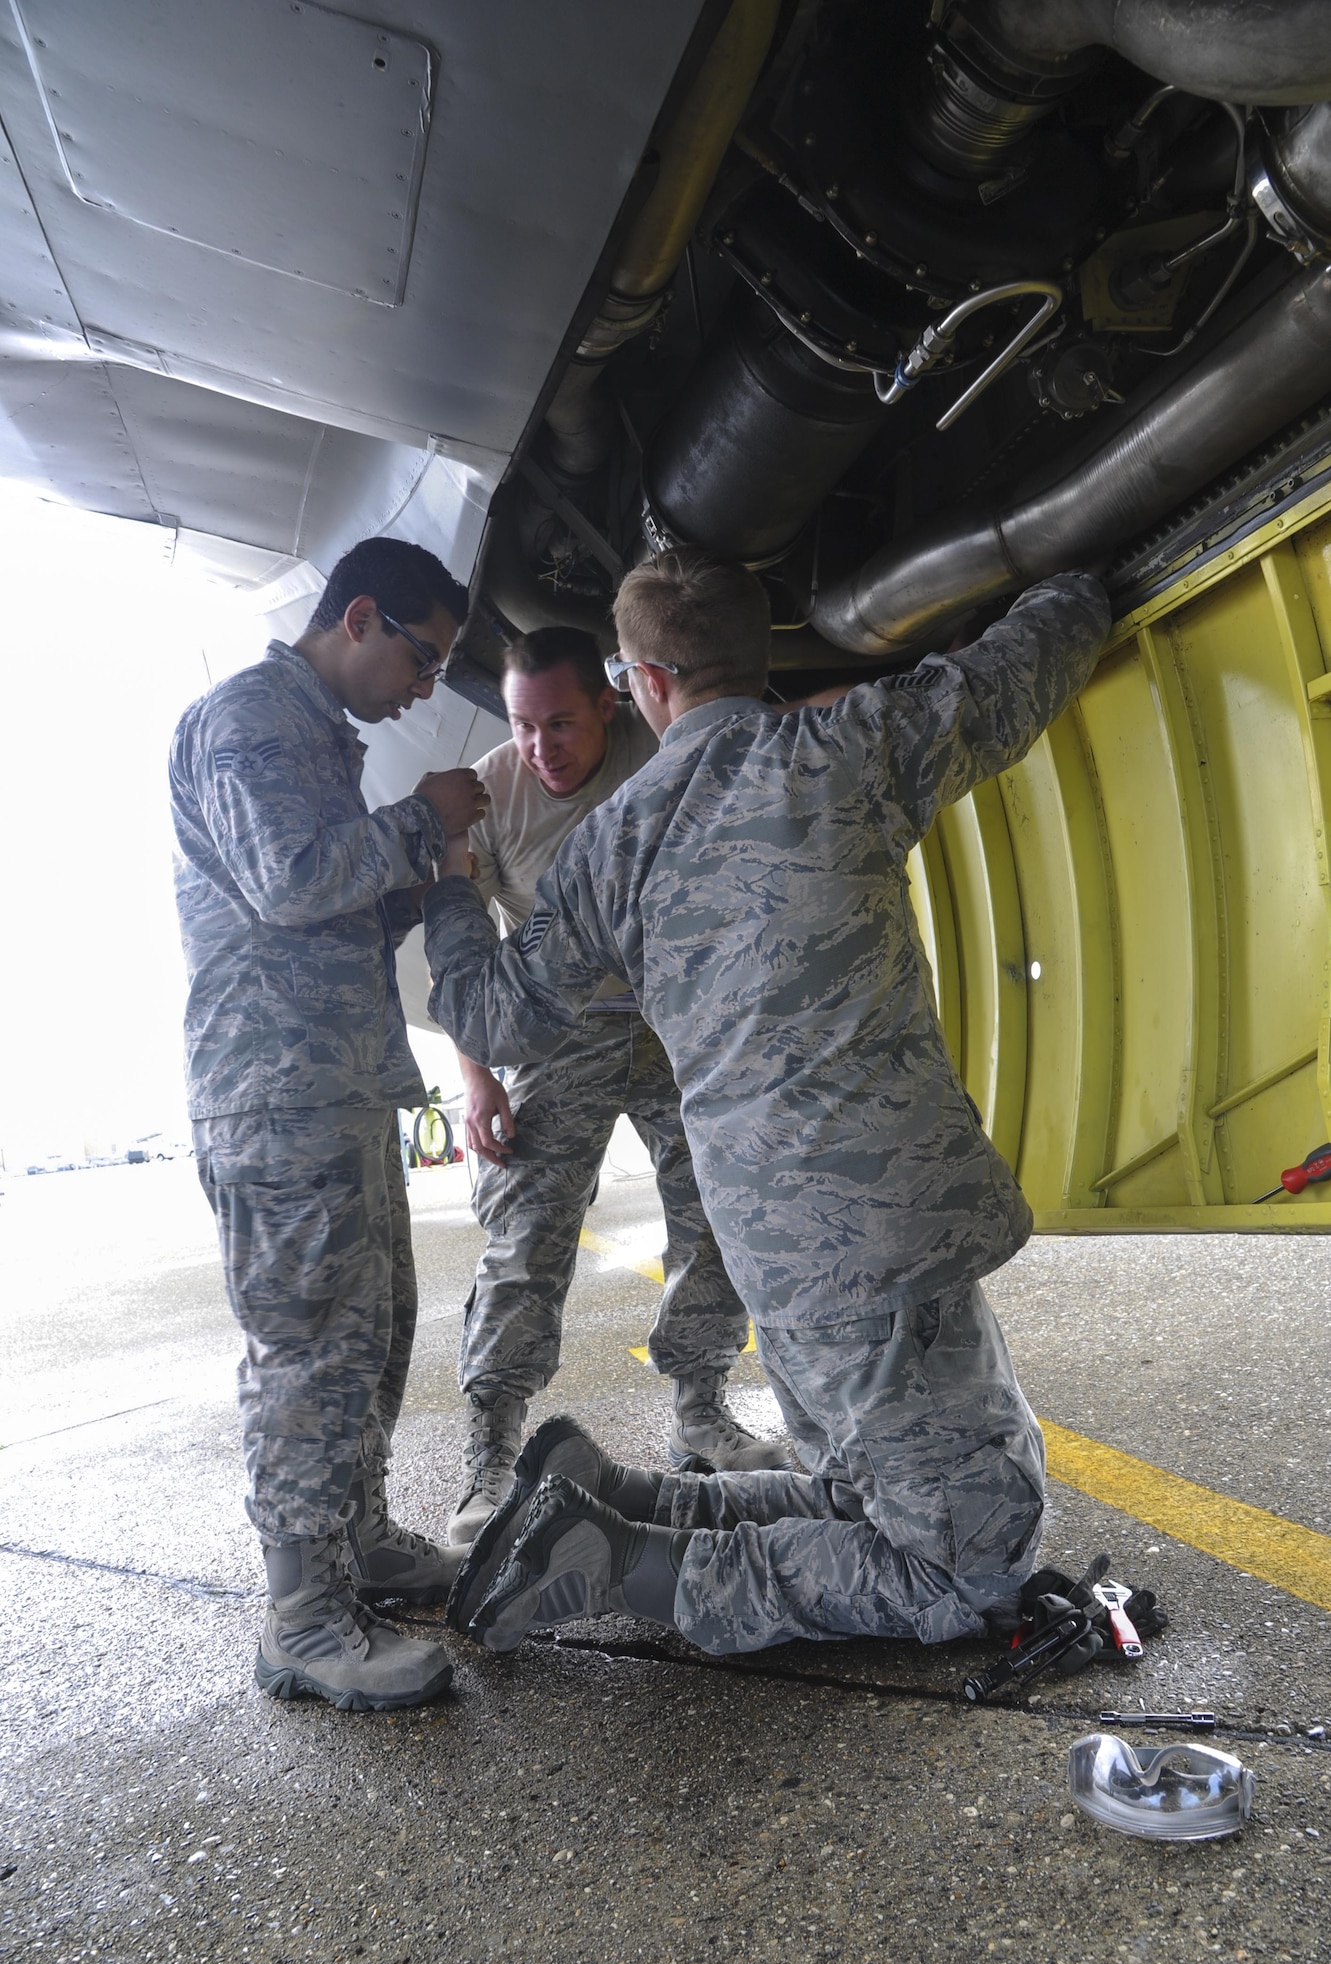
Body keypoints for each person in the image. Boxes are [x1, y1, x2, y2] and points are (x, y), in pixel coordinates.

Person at [422, 547, 1111, 1657]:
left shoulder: (612, 841)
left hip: (774, 1246)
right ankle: (612, 1564)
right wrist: (1070, 571)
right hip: (883, 1229)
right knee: (963, 1561)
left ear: (641, 683)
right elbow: (1023, 664)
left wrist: (454, 880)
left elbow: (491, 1011)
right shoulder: (846, 745)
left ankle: (619, 1501)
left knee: (865, 1491)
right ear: (760, 655)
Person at [170, 536, 489, 1710]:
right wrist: (418, 822)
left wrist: (416, 884)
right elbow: (287, 878)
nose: (423, 686)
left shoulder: (309, 732)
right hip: (276, 1094)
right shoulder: (250, 717)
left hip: (335, 1085)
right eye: (422, 657)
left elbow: (323, 912)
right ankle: (302, 1616)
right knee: (309, 1349)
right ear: (360, 617)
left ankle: (354, 1543)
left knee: (370, 1330)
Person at [443, 626, 785, 1548]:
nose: (540, 747)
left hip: (674, 1015)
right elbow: (460, 948)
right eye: (523, 726)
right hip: (559, 1026)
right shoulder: (490, 792)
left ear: (610, 701)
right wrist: (477, 1083)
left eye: (560, 722)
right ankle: (491, 1452)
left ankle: (702, 1409)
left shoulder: (659, 749)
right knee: (525, 1232)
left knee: (715, 1209)